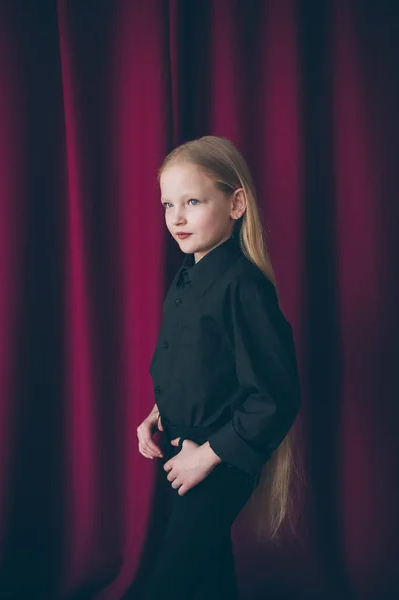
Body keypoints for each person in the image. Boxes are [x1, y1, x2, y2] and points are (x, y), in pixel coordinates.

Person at [136, 136, 302, 599]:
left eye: (193, 201)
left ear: (236, 204)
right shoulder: (186, 279)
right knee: (208, 576)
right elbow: (195, 368)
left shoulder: (244, 287)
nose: (177, 217)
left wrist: (205, 457)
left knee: (170, 580)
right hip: (182, 453)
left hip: (219, 461)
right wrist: (157, 413)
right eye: (169, 204)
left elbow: (275, 396)